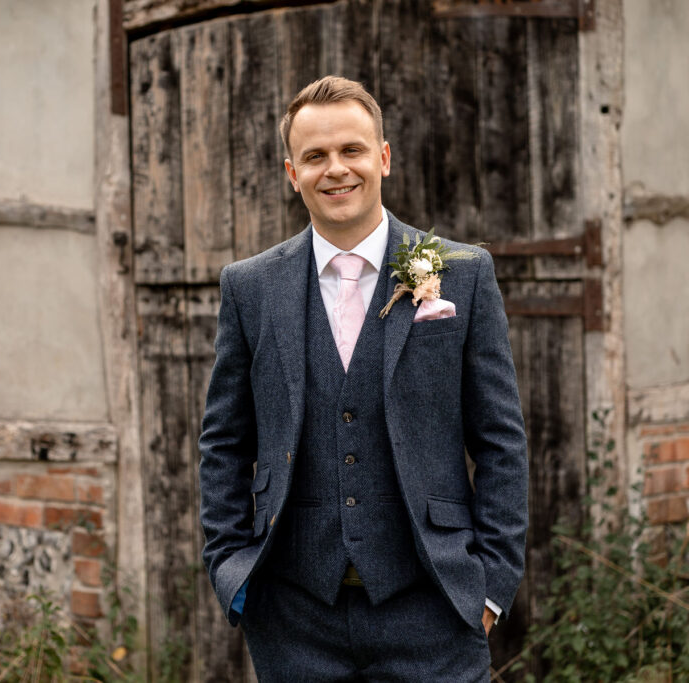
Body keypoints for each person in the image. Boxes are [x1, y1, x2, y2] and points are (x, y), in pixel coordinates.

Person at [198, 75, 528, 681]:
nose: (336, 170)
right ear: (292, 173)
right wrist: (228, 564)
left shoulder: (463, 274)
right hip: (294, 617)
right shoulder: (249, 287)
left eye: (351, 150)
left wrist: (491, 587)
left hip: (435, 606)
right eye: (315, 156)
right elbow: (224, 440)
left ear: (383, 157)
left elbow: (500, 439)